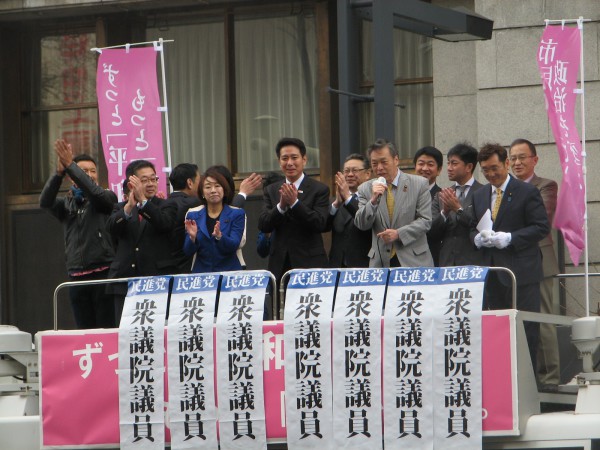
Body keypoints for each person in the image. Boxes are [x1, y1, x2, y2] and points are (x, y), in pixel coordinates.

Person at [471, 143, 549, 371]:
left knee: (526, 332)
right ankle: (501, 382)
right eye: (485, 170)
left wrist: (511, 238)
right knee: (495, 332)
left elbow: (541, 227)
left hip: (521, 274)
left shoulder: (527, 191)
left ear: (506, 163)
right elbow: (471, 226)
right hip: (492, 274)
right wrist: (477, 239)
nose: (491, 174)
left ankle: (527, 386)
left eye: (495, 168)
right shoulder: (480, 195)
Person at [40, 139, 117, 329]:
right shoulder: (67, 204)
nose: (89, 175)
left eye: (93, 171)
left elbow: (95, 193)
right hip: (77, 275)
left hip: (103, 273)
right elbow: (45, 202)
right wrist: (59, 172)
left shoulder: (106, 197)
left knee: (106, 330)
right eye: (84, 171)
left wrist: (71, 166)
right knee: (84, 331)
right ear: (72, 176)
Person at [510, 138, 561, 391]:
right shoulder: (503, 189)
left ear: (535, 160)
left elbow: (542, 220)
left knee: (544, 322)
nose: (517, 163)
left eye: (522, 157)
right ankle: (523, 378)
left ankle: (550, 379)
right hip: (509, 265)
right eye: (513, 158)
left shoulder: (546, 186)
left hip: (539, 260)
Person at [107, 160, 178, 321]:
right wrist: (129, 207)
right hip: (124, 281)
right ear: (132, 183)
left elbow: (164, 223)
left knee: (156, 331)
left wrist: (144, 203)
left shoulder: (167, 205)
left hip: (157, 280)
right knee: (124, 332)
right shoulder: (120, 208)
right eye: (144, 180)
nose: (151, 184)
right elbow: (111, 229)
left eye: (154, 179)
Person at [258, 137, 330, 282]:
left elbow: (320, 223)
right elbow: (264, 224)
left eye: (294, 158)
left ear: (304, 160)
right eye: (285, 158)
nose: (289, 163)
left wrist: (295, 203)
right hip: (279, 264)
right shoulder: (271, 190)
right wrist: (281, 206)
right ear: (279, 162)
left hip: (310, 263)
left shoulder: (319, 189)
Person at [355, 138, 433, 268]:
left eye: (384, 162)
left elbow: (425, 220)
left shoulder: (419, 184)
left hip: (413, 260)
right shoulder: (365, 188)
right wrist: (373, 201)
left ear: (396, 160)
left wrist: (398, 234)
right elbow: (361, 224)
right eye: (374, 163)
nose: (379, 168)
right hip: (380, 262)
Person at [429, 143, 483, 267]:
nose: (449, 168)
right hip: (447, 262)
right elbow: (431, 232)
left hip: (473, 263)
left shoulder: (483, 193)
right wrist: (445, 213)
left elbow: (480, 226)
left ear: (469, 167)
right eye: (448, 163)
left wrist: (458, 210)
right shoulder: (441, 195)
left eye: (454, 163)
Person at [184, 167, 246, 273]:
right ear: (202, 193)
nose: (213, 191)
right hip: (202, 276)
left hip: (230, 274)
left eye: (217, 186)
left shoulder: (237, 214)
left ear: (224, 191)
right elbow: (187, 251)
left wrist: (219, 237)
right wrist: (192, 238)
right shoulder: (193, 215)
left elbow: (234, 244)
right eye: (208, 187)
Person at [327, 153, 372, 268]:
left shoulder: (374, 199)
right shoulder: (334, 201)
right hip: (338, 265)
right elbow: (323, 226)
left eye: (355, 170)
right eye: (346, 171)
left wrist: (347, 198)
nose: (350, 175)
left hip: (364, 265)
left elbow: (366, 222)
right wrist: (336, 205)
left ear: (368, 174)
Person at [165, 163, 202, 273]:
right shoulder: (194, 203)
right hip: (187, 265)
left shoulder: (163, 203)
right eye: (199, 181)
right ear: (190, 183)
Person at [414, 146, 443, 265]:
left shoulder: (442, 196)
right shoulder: (403, 194)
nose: (425, 168)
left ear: (439, 170)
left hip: (432, 258)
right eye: (421, 164)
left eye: (430, 164)